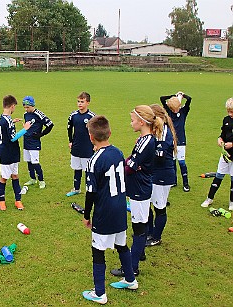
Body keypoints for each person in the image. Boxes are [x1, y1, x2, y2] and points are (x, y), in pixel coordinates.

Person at [82, 115, 138, 305]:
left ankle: (99, 293)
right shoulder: (118, 152)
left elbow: (91, 192)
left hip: (104, 212)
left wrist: (86, 215)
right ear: (109, 133)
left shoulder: (93, 160)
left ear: (91, 137)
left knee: (98, 250)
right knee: (121, 244)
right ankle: (130, 280)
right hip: (121, 208)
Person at [111, 105, 163, 277]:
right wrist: (129, 162)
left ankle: (132, 268)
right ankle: (139, 254)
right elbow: (132, 160)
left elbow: (131, 165)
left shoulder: (147, 141)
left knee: (139, 227)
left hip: (140, 189)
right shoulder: (143, 139)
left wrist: (119, 170)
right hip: (139, 186)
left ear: (141, 122)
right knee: (143, 221)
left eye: (132, 120)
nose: (131, 123)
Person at [146, 104, 177, 247]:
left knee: (159, 207)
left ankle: (156, 237)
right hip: (154, 173)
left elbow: (160, 155)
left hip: (163, 175)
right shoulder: (156, 130)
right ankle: (149, 232)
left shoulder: (164, 131)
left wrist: (144, 155)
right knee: (148, 204)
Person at [0, 95, 32, 211]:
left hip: (12, 152)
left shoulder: (3, 117)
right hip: (7, 152)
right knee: (4, 177)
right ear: (12, 106)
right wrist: (25, 129)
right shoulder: (7, 120)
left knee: (15, 175)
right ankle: (1, 201)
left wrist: (12, 122)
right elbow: (13, 138)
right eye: (14, 107)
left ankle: (18, 200)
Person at [201, 98, 233, 211]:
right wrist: (219, 139)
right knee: (218, 176)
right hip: (225, 155)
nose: (230, 114)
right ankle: (209, 198)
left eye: (232, 112)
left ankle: (231, 202)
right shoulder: (226, 120)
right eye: (229, 111)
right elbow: (223, 134)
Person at [160, 92, 192, 192]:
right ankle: (174, 180)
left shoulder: (183, 111)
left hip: (181, 141)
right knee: (172, 161)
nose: (175, 110)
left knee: (181, 162)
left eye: (176, 108)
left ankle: (186, 183)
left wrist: (182, 95)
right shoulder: (168, 112)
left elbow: (189, 99)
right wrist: (172, 95)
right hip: (171, 141)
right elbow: (162, 98)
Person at [66, 92, 95, 197]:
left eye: (82, 102)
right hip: (76, 147)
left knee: (88, 170)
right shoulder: (73, 115)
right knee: (76, 168)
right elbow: (69, 129)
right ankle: (76, 188)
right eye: (78, 101)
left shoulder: (92, 116)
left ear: (88, 103)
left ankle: (89, 190)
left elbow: (95, 131)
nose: (79, 104)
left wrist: (95, 144)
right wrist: (70, 141)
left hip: (87, 148)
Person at [22, 96, 54, 189]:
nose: (26, 109)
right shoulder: (26, 114)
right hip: (26, 141)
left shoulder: (39, 114)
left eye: (28, 107)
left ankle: (41, 180)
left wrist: (41, 134)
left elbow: (50, 124)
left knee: (35, 162)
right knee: (28, 161)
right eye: (25, 107)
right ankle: (32, 179)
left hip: (34, 142)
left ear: (32, 105)